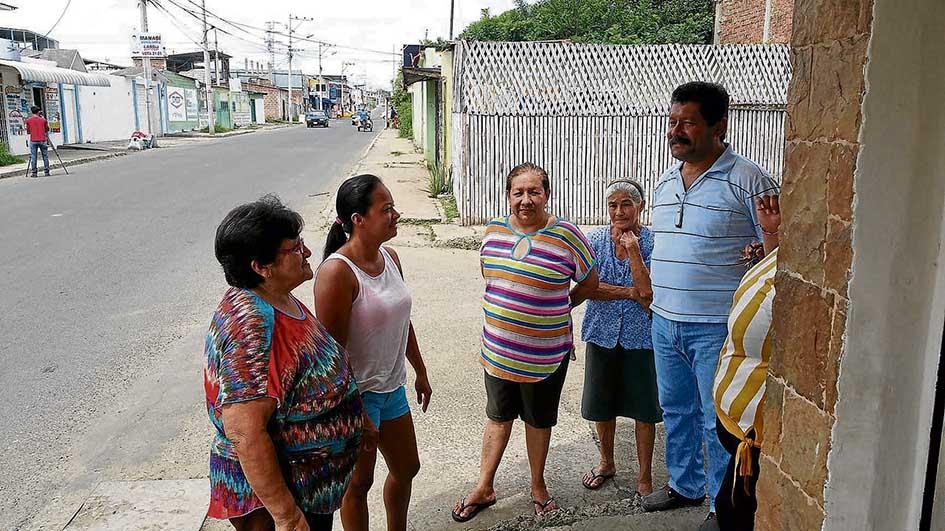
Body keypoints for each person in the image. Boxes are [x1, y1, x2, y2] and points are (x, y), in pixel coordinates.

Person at [642, 81, 780, 531]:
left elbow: (779, 251)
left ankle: (725, 510)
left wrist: (764, 247)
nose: (675, 131)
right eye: (673, 121)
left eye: (688, 122)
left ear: (719, 126)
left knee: (719, 421)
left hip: (717, 327)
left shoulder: (750, 181)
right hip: (664, 321)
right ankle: (685, 484)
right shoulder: (663, 182)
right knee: (676, 410)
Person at [204, 195, 363, 531]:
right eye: (295, 248)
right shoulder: (251, 325)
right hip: (280, 503)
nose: (306, 252)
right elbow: (245, 431)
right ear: (262, 267)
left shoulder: (277, 297)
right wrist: (287, 516)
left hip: (308, 488)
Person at [452, 162, 599, 523]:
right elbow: (491, 277)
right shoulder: (493, 231)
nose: (526, 200)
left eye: (534, 191)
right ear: (508, 196)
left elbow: (590, 282)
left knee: (537, 421)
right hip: (499, 352)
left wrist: (558, 306)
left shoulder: (566, 235)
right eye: (518, 192)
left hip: (545, 355)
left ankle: (537, 485)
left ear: (547, 195)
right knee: (497, 417)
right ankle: (484, 486)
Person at [314, 174, 432, 531]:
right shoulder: (337, 272)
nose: (396, 214)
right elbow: (330, 355)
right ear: (358, 220)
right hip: (357, 396)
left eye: (393, 207)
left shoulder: (391, 258)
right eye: (387, 209)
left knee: (407, 467)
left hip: (391, 388)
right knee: (358, 484)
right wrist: (353, 410)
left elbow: (402, 320)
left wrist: (420, 370)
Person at [570, 178, 662, 497]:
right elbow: (587, 288)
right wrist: (629, 292)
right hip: (601, 332)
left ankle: (645, 476)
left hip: (642, 337)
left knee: (644, 408)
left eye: (626, 204)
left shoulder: (652, 243)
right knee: (602, 404)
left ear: (640, 207)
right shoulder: (594, 240)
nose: (619, 210)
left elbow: (649, 295)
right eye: (613, 204)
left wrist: (634, 251)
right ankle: (607, 462)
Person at [712, 195, 780, 531]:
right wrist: (772, 237)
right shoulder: (786, 252)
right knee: (730, 506)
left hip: (754, 439)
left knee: (733, 510)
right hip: (742, 431)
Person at [25, 106, 50, 177]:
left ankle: (34, 173)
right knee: (45, 156)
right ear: (38, 112)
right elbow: (47, 129)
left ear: (31, 112)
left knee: (33, 156)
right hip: (42, 139)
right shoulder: (43, 120)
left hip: (33, 140)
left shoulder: (28, 120)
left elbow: (28, 131)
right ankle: (46, 172)